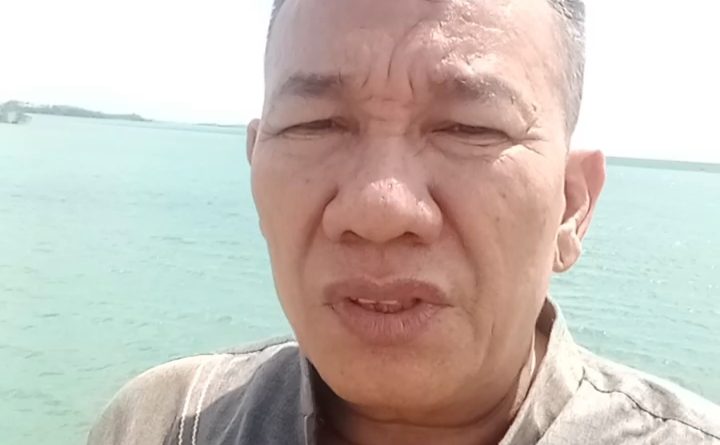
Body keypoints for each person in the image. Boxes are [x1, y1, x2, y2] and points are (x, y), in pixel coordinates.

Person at [88, 0, 720, 444]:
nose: (379, 210)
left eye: (468, 128)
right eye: (315, 125)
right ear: (257, 174)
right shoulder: (164, 425)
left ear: (572, 205)